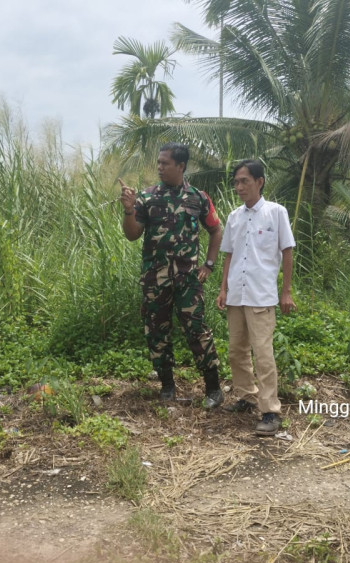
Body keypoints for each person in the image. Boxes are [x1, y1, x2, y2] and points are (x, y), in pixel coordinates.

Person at [118, 142, 225, 409]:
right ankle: (167, 385)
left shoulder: (198, 198)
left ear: (181, 166)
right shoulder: (147, 197)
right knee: (157, 331)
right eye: (159, 162)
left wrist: (209, 265)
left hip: (188, 279)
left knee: (197, 330)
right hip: (156, 279)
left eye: (165, 163)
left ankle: (213, 387)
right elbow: (132, 235)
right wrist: (129, 209)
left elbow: (216, 230)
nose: (160, 167)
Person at [216, 159, 296, 435]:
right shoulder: (234, 217)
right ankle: (247, 396)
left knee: (263, 353)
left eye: (244, 181)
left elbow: (287, 251)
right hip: (236, 294)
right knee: (236, 350)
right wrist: (223, 289)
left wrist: (286, 291)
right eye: (236, 182)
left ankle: (271, 411)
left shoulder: (276, 213)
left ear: (259, 181)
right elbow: (229, 255)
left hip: (262, 295)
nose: (239, 187)